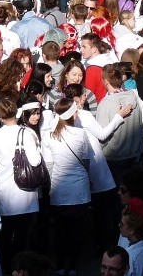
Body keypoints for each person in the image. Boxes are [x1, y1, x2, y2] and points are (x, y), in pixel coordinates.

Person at [0, 97, 41, 270]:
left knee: (8, 234)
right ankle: (26, 269)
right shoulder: (27, 133)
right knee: (26, 236)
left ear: (0, 117)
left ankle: (10, 269)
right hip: (27, 193)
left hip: (6, 192)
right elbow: (36, 160)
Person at [41, 98, 93, 274]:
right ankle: (72, 266)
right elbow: (86, 162)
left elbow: (48, 165)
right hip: (79, 190)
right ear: (72, 114)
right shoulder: (80, 134)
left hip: (58, 190)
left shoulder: (48, 135)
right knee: (77, 231)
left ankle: (60, 265)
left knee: (60, 231)